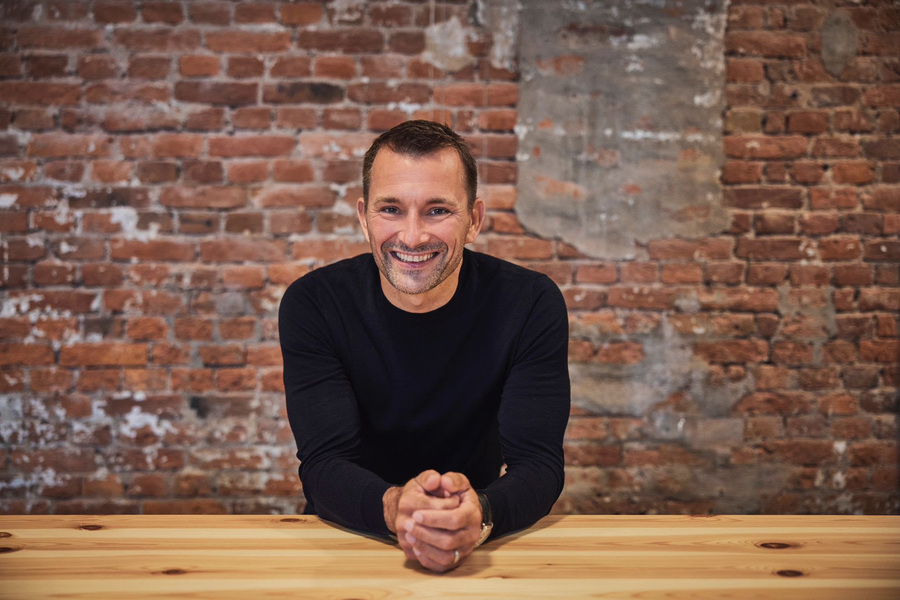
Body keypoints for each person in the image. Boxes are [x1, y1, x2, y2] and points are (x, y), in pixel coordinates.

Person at [279, 120, 570, 573]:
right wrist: (397, 508)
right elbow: (325, 464)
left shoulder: (529, 302)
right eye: (391, 209)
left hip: (476, 535)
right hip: (350, 536)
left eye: (437, 210)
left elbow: (539, 463)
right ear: (363, 218)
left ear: (474, 221)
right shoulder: (315, 304)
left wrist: (481, 514)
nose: (412, 236)